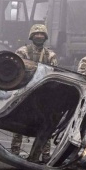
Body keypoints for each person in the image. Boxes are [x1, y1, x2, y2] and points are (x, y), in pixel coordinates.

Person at [10, 24, 57, 162]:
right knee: (19, 123)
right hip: (24, 92)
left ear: (45, 37)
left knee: (46, 124)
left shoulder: (50, 55)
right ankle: (14, 152)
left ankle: (45, 154)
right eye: (36, 34)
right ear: (31, 36)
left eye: (42, 34)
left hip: (43, 95)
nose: (39, 36)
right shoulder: (22, 52)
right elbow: (16, 70)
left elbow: (54, 73)